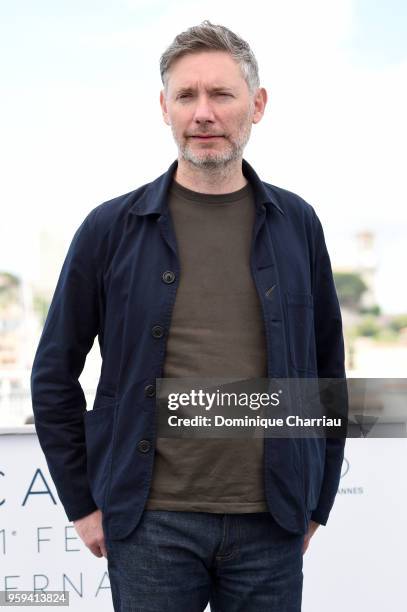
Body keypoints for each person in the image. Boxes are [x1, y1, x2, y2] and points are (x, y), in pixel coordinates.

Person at [31, 20, 347, 612]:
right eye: (186, 96)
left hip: (272, 525)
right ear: (164, 108)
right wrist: (82, 504)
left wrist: (317, 501)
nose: (203, 113)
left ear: (256, 106)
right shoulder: (110, 229)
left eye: (221, 95)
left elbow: (325, 367)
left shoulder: (298, 224)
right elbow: (53, 374)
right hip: (150, 526)